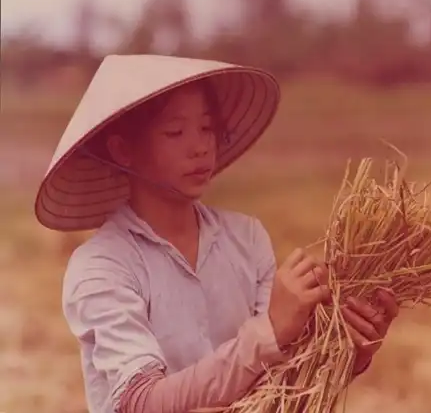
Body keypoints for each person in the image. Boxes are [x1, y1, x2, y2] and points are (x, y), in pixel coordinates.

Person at [34, 55, 399, 413]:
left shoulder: (246, 238)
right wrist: (269, 332)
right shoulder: (102, 266)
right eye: (175, 132)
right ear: (123, 150)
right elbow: (140, 402)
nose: (200, 146)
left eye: (207, 128)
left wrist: (349, 351)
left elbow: (282, 393)